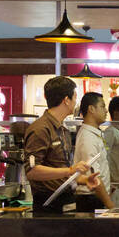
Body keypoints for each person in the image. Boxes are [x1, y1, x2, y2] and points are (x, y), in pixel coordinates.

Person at [24, 76, 99, 215]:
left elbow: (60, 169)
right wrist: (70, 170)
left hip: (66, 202)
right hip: (48, 205)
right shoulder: (40, 129)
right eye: (75, 97)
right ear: (66, 100)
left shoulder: (63, 130)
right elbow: (32, 171)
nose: (76, 102)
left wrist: (83, 180)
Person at [72, 92, 115, 211]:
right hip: (89, 200)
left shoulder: (94, 133)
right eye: (102, 106)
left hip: (97, 197)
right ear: (91, 109)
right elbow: (94, 178)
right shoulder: (88, 137)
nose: (106, 111)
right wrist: (111, 208)